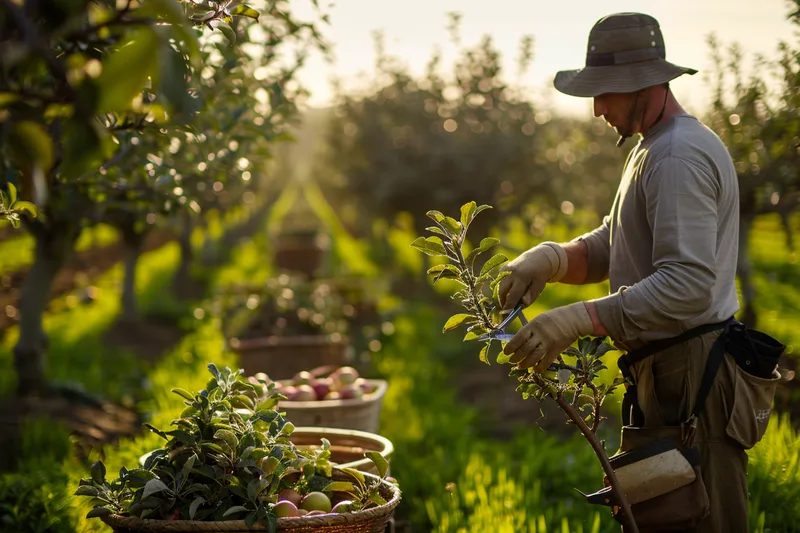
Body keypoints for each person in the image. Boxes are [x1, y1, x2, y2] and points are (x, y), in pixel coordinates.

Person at [497, 12, 747, 533]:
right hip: (670, 370)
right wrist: (553, 257)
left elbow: (687, 282)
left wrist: (575, 320)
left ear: (646, 83)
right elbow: (617, 244)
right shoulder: (653, 148)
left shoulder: (677, 155)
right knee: (668, 512)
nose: (597, 108)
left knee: (702, 516)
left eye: (606, 92)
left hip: (692, 376)